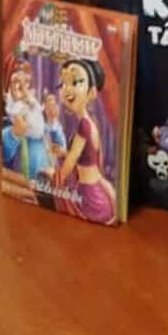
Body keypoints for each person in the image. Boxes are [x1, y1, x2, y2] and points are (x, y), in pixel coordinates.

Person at [52, 57, 117, 223]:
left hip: (90, 196)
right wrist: (63, 153)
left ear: (92, 92)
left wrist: (55, 180)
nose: (67, 89)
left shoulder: (84, 125)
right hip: (92, 188)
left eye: (75, 82)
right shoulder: (89, 122)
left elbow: (70, 164)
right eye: (63, 84)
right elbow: (87, 158)